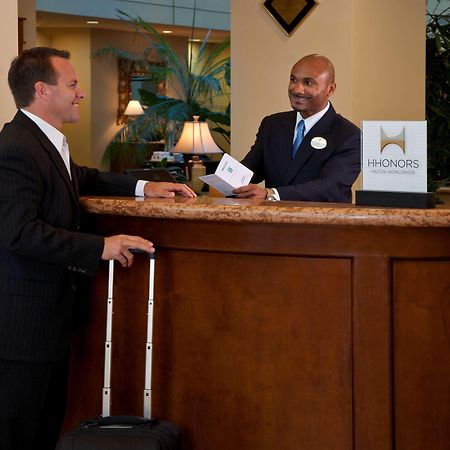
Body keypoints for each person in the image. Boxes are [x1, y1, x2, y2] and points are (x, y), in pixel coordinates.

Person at [0, 47, 195, 450]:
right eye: (72, 84)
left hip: (45, 325)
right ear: (42, 90)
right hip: (23, 329)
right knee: (20, 436)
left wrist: (146, 187)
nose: (81, 93)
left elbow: (82, 178)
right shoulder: (17, 147)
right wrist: (101, 246)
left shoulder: (42, 140)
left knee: (43, 432)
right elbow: (18, 233)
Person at [234, 54, 360, 203]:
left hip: (321, 224)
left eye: (308, 83)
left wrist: (272, 194)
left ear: (330, 89)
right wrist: (214, 182)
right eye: (293, 80)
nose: (297, 89)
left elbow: (330, 187)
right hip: (272, 223)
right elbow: (247, 170)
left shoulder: (349, 135)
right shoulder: (272, 125)